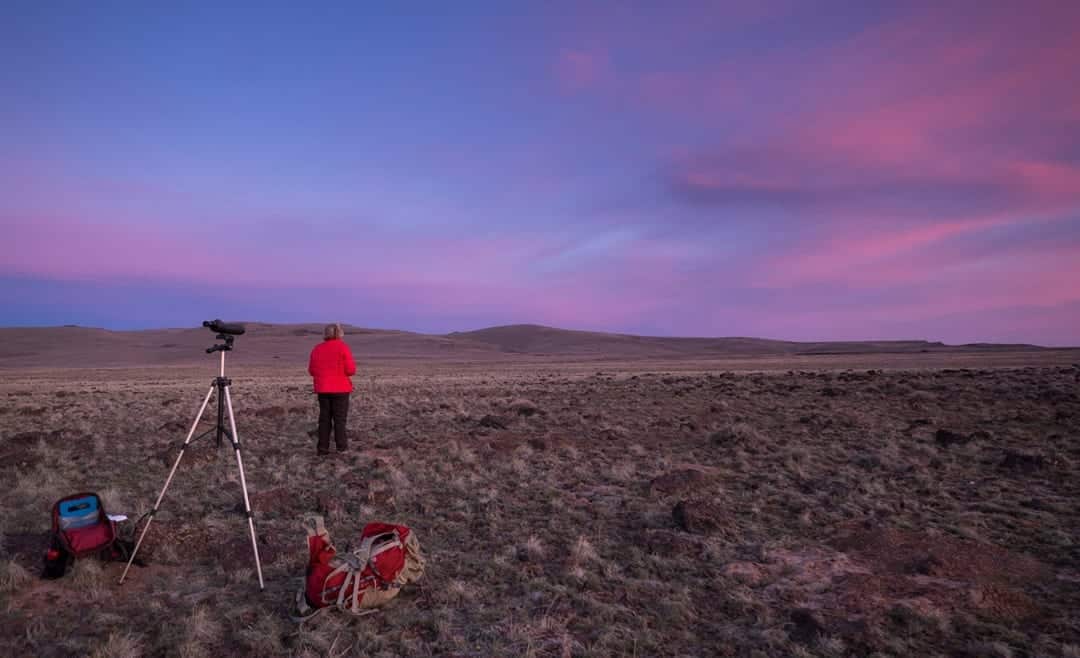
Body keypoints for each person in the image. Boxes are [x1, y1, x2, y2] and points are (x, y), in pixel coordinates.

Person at [308, 323, 356, 455]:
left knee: (324, 419)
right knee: (339, 420)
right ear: (339, 333)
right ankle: (342, 448)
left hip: (323, 389)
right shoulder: (343, 347)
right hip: (341, 390)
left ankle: (322, 448)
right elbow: (351, 370)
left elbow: (312, 370)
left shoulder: (317, 349)